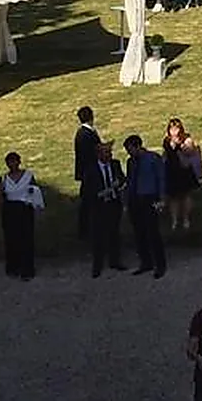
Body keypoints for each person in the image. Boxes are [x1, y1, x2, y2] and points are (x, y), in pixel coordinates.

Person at [0, 151, 42, 280]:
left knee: (26, 239)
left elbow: (35, 191)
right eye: (10, 162)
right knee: (11, 240)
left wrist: (36, 207)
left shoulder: (28, 175)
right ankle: (13, 267)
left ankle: (27, 269)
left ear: (19, 162)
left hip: (25, 208)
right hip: (10, 210)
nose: (13, 164)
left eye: (15, 161)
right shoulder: (4, 178)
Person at [81, 139, 127, 277]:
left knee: (114, 233)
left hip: (113, 204)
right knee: (98, 236)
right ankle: (97, 265)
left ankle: (115, 260)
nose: (110, 155)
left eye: (110, 152)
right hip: (98, 206)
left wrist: (119, 183)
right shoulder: (91, 170)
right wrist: (100, 194)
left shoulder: (115, 164)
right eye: (106, 153)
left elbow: (122, 179)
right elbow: (85, 191)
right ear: (99, 154)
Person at [124, 134, 168, 278]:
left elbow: (161, 179)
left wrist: (161, 199)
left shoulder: (153, 159)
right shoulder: (131, 162)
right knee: (139, 233)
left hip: (150, 198)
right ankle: (146, 262)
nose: (129, 153)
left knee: (153, 232)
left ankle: (160, 265)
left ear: (138, 146)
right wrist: (127, 201)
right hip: (135, 200)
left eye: (130, 150)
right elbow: (130, 182)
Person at [163, 118, 202, 232]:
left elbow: (189, 151)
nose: (174, 131)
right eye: (172, 128)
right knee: (173, 197)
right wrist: (173, 143)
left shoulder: (187, 139)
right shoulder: (167, 140)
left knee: (186, 195)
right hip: (172, 171)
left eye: (176, 128)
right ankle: (174, 220)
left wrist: (181, 144)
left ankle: (186, 218)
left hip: (184, 170)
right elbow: (168, 150)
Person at [74, 105, 99, 240]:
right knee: (88, 201)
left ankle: (86, 229)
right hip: (89, 173)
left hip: (86, 172)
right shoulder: (86, 134)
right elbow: (90, 153)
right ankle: (85, 230)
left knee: (87, 201)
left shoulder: (82, 133)